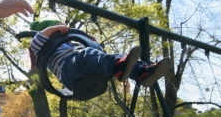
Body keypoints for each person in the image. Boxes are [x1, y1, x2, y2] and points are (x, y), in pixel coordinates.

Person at [28, 19, 172, 90]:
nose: (64, 30)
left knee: (114, 55)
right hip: (68, 72)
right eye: (60, 29)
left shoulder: (70, 44)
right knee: (85, 55)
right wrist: (54, 28)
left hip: (87, 71)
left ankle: (142, 72)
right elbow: (36, 40)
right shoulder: (42, 48)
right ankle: (119, 67)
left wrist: (91, 42)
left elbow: (96, 55)